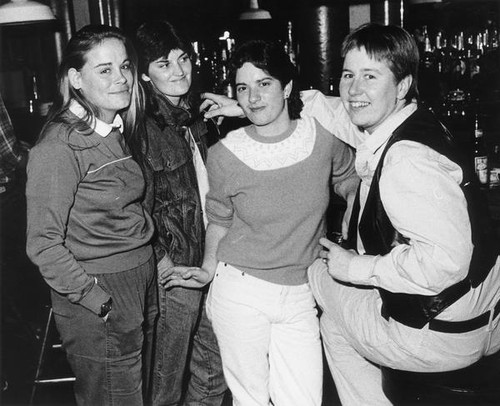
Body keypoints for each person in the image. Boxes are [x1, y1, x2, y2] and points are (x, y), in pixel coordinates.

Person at [306, 23, 500, 405]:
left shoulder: (406, 162)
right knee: (345, 307)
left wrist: (353, 268)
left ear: (403, 84)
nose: (353, 90)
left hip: (443, 337)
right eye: (348, 75)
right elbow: (346, 113)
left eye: (370, 76)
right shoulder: (414, 121)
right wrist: (262, 101)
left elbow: (444, 263)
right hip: (484, 319)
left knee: (313, 273)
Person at [164, 39, 358, 406]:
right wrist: (207, 269)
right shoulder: (225, 154)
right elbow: (219, 219)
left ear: (286, 88)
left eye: (264, 84)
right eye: (242, 88)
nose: (252, 98)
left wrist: (352, 205)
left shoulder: (322, 138)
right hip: (241, 291)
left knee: (303, 400)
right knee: (250, 400)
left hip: (301, 291)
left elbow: (349, 177)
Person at [25, 24, 158, 405]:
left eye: (126, 66)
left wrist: (152, 262)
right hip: (100, 293)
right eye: (105, 70)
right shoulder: (59, 146)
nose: (122, 79)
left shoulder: (112, 129)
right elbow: (43, 244)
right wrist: (95, 298)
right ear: (76, 78)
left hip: (136, 281)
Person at [132, 20, 227, 406]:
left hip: (211, 261)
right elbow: (135, 208)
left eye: (182, 58)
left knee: (213, 372)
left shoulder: (197, 116)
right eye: (164, 64)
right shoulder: (140, 128)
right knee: (164, 382)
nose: (178, 70)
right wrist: (162, 262)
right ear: (144, 74)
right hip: (176, 272)